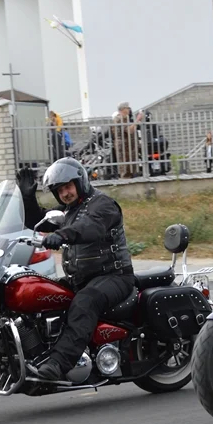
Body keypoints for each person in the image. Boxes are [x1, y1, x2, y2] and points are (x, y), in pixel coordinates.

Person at [16, 158, 134, 380]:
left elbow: (90, 227)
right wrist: (27, 197)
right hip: (81, 279)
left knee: (85, 302)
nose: (65, 193)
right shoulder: (69, 210)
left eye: (68, 186)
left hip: (113, 276)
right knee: (36, 290)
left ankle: (59, 364)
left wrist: (61, 235)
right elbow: (38, 220)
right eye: (60, 190)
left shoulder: (103, 205)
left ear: (80, 182)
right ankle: (34, 354)